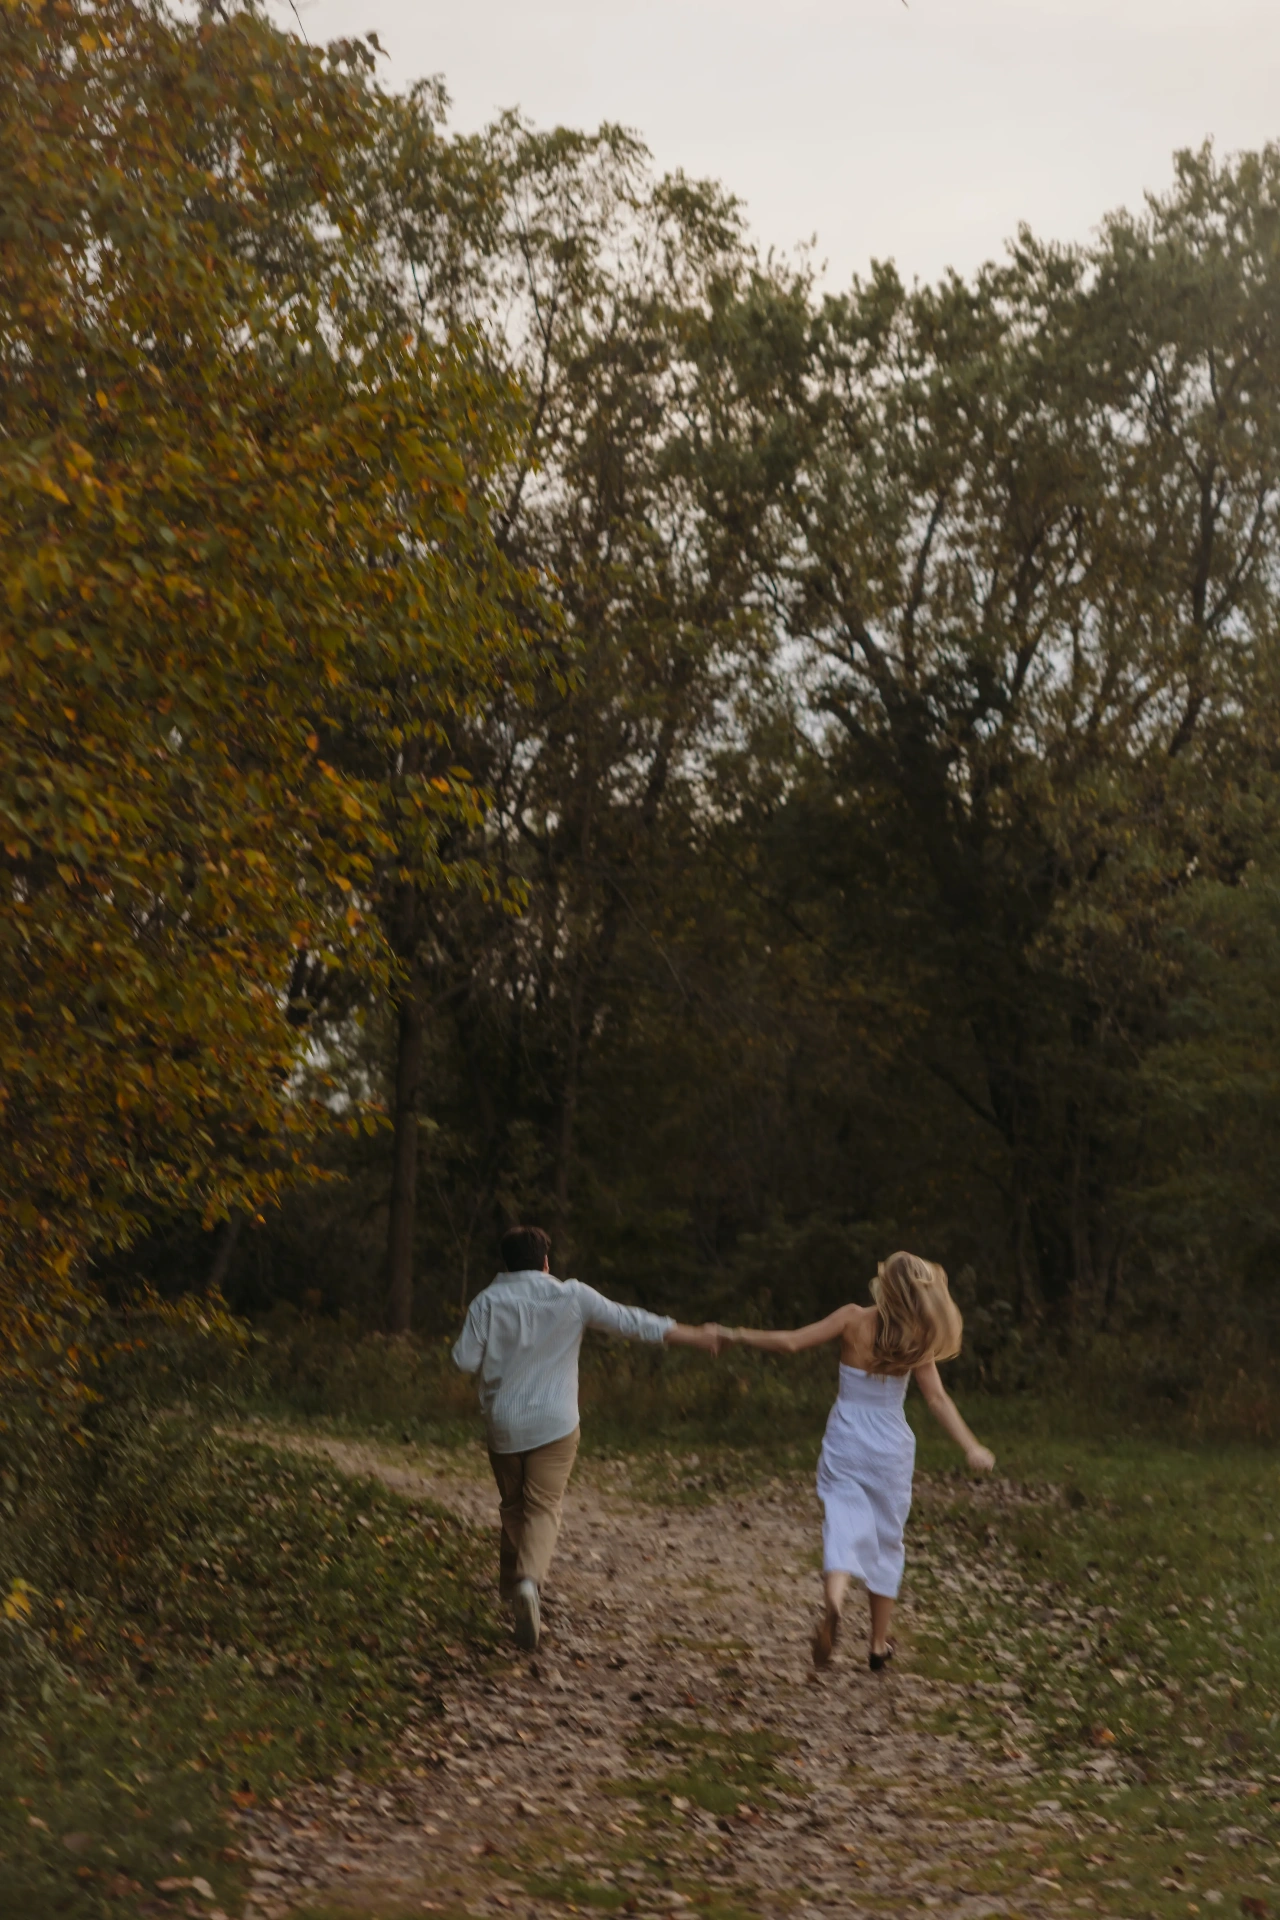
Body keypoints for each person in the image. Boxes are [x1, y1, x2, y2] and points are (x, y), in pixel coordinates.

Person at [452, 1224, 722, 1651]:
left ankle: (513, 1594)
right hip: (555, 1425)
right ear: (545, 1262)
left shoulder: (487, 1301)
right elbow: (631, 1321)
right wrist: (695, 1334)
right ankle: (527, 1583)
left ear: (505, 1264)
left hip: (504, 1425)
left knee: (514, 1507)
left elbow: (465, 1360)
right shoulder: (572, 1295)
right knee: (543, 1508)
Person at [721, 1252, 994, 1671]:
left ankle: (833, 1600)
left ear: (885, 1286)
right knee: (887, 1540)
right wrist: (971, 1446)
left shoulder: (852, 1318)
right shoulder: (916, 1336)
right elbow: (937, 1398)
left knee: (843, 1519)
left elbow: (791, 1341)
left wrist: (735, 1334)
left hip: (847, 1436)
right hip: (890, 1447)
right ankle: (878, 1645)